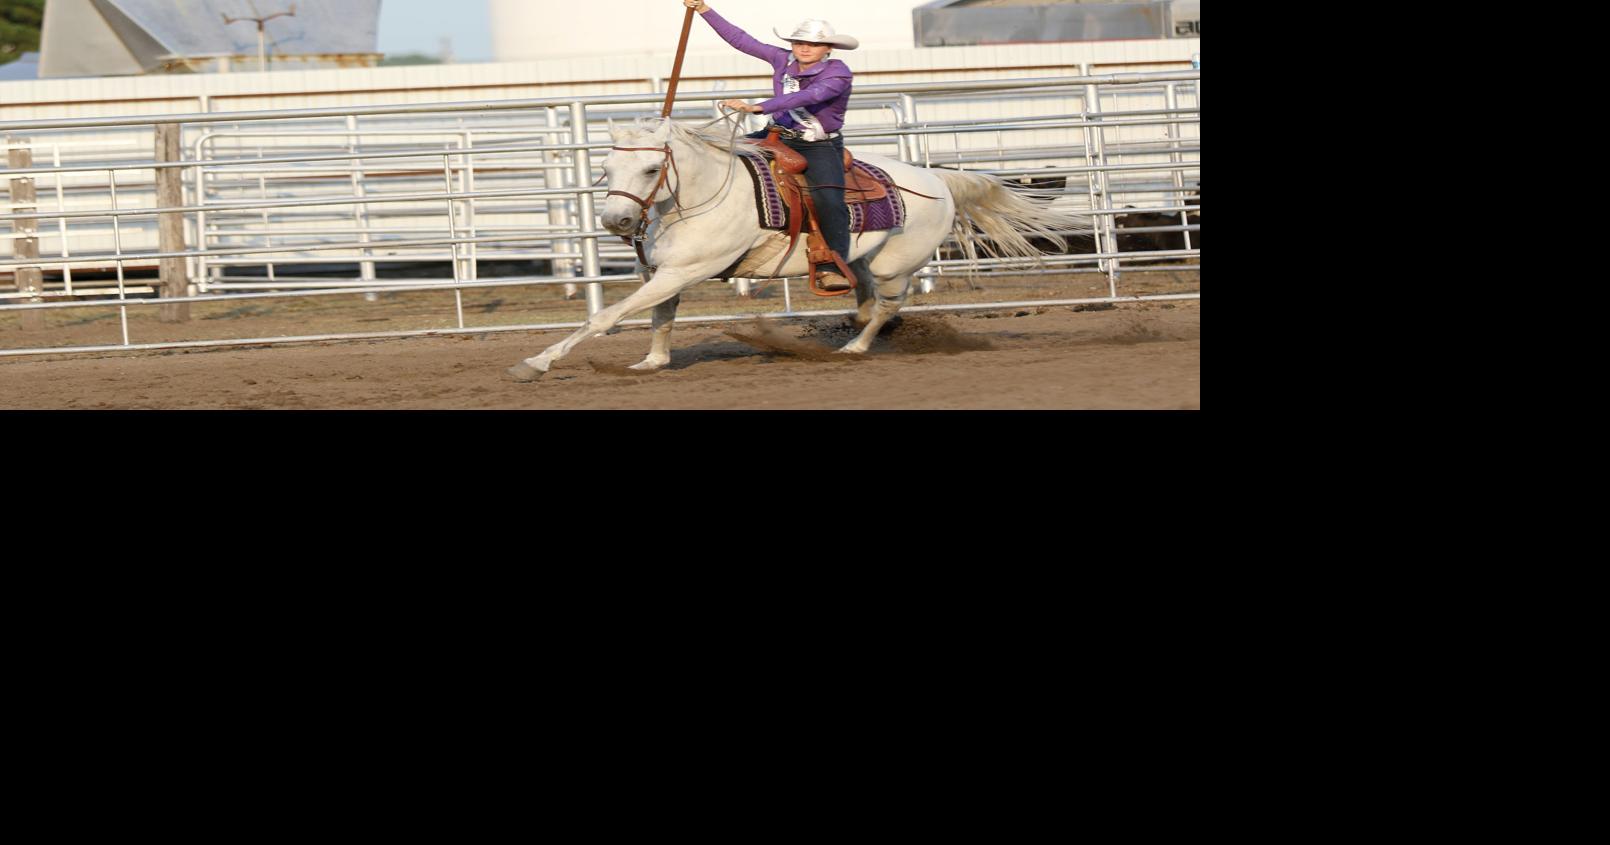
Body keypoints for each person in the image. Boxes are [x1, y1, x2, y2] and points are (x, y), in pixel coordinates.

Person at [683, 0, 859, 292]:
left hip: (817, 146)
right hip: (776, 134)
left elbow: (808, 97)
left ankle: (833, 264)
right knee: (718, 159)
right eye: (799, 42)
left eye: (813, 45)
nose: (804, 48)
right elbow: (741, 40)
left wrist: (759, 107)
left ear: (828, 48)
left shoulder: (838, 73)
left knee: (829, 200)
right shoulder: (782, 59)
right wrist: (704, 10)